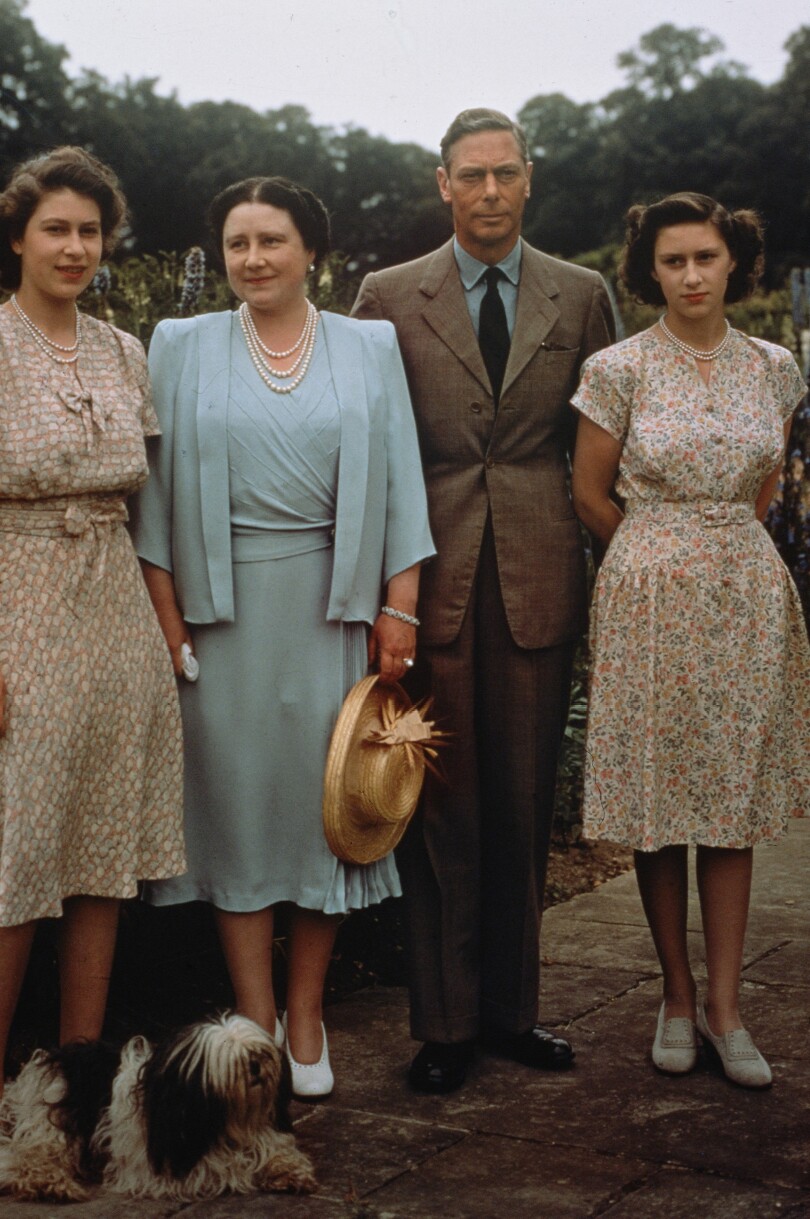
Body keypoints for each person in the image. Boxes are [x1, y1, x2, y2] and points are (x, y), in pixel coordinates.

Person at [132, 176, 434, 1100]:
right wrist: (171, 621)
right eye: (236, 243)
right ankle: (253, 1014)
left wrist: (400, 605)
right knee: (235, 812)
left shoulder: (368, 342)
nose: (253, 259)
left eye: (272, 240)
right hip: (221, 618)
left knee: (322, 811)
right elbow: (148, 499)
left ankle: (307, 1014)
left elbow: (402, 481)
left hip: (330, 607)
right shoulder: (179, 344)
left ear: (313, 251)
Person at [352, 108, 616, 1093]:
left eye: (507, 174)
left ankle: (514, 1014)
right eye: (474, 175)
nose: (492, 192)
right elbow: (373, 449)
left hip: (543, 579)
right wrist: (388, 589)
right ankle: (445, 1021)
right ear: (443, 184)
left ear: (530, 179)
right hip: (431, 581)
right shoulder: (386, 296)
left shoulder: (582, 294)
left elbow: (604, 441)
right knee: (441, 804)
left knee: (522, 802)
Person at [571, 192, 810, 1088]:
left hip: (745, 594)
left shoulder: (777, 366)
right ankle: (675, 995)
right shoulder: (617, 368)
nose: (691, 275)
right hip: (650, 598)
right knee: (660, 801)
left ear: (732, 261)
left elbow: (765, 487)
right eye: (673, 261)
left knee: (731, 800)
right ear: (651, 271)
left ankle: (727, 1008)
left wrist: (721, 548)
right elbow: (591, 495)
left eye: (705, 257)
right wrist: (658, 555)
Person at [0, 147, 185, 1095]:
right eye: (55, 228)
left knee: (101, 851)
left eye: (89, 231)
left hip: (113, 611)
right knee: (15, 851)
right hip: (19, 607)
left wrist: (163, 633)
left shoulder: (124, 351)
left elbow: (148, 508)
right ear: (20, 233)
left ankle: (74, 1086)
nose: (74, 248)